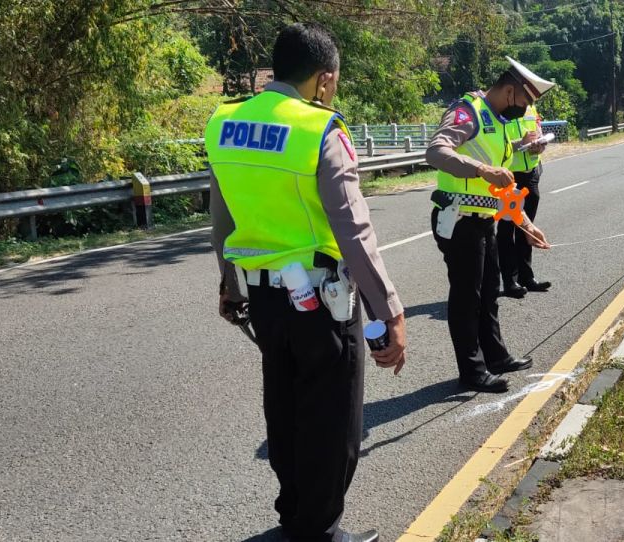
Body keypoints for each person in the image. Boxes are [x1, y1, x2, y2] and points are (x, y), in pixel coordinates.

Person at [207, 23, 406, 542]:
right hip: (323, 300)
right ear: (323, 79)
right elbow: (354, 229)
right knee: (333, 415)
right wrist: (389, 310)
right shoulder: (320, 131)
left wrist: (229, 283)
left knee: (285, 403)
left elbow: (222, 217)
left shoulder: (225, 123)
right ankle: (319, 530)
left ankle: (293, 514)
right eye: (333, 82)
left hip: (264, 298)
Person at [424, 56, 552, 394]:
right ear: (510, 91)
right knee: (467, 297)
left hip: (483, 220)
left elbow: (502, 187)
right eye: (524, 101)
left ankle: (495, 357)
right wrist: (481, 169)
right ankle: (471, 371)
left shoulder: (499, 122)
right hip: (459, 219)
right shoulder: (468, 112)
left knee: (489, 292)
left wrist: (525, 225)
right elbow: (436, 151)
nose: (524, 110)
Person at [497, 102, 551, 298]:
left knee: (527, 228)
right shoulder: (499, 108)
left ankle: (526, 277)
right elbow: (496, 146)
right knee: (506, 230)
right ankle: (510, 281)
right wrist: (520, 143)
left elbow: (538, 131)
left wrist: (540, 144)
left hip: (532, 173)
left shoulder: (531, 107)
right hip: (509, 175)